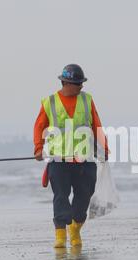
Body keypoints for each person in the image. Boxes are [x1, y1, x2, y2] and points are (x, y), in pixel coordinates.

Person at [34, 64, 109, 248]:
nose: (81, 87)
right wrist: (38, 147)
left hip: (85, 159)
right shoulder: (49, 102)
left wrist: (104, 147)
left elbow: (96, 125)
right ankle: (60, 235)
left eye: (82, 83)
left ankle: (75, 228)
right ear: (66, 83)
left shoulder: (87, 100)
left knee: (84, 196)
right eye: (78, 83)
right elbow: (39, 126)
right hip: (59, 159)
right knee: (61, 196)